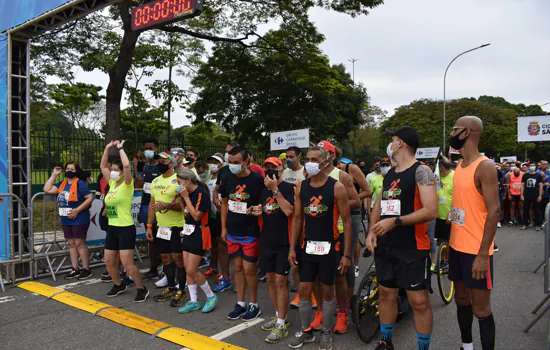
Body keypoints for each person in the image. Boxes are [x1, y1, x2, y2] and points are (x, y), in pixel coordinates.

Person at [366, 126, 437, 350]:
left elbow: (431, 210)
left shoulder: (421, 171)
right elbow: (378, 204)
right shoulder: (390, 173)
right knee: (387, 295)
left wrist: (395, 221)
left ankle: (423, 347)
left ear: (401, 144)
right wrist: (371, 231)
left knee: (419, 302)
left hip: (412, 247)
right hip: (386, 245)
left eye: (393, 139)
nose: (391, 144)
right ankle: (386, 341)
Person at [288, 146, 352, 350]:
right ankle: (306, 331)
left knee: (327, 291)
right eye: (307, 158)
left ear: (325, 162)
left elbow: (347, 221)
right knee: (304, 289)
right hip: (307, 247)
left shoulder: (337, 187)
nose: (310, 162)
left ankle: (326, 331)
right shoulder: (301, 186)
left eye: (315, 159)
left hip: (329, 248)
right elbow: (297, 218)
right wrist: (292, 248)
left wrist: (346, 255)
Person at [447, 116, 499, 350]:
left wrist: (481, 255)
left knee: (480, 309)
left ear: (466, 132)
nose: (452, 133)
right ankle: (466, 346)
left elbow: (494, 211)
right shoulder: (459, 165)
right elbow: (462, 206)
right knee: (461, 300)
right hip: (457, 247)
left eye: (455, 129)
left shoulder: (484, 166)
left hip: (476, 251)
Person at [316, 140, 360, 335]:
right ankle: (320, 311)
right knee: (317, 275)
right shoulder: (311, 175)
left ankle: (343, 313)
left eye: (322, 153)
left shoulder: (341, 175)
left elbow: (356, 201)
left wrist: (334, 204)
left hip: (338, 231)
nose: (317, 158)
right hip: (316, 233)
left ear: (331, 156)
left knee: (339, 275)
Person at [100, 141, 148, 302]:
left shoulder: (127, 184)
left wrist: (120, 148)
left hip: (125, 228)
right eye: (112, 170)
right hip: (112, 227)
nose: (112, 172)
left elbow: (127, 166)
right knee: (109, 261)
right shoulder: (112, 183)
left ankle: (141, 288)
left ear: (121, 173)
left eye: (115, 170)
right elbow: (102, 167)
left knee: (128, 264)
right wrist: (107, 148)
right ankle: (118, 284)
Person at [254, 157, 296, 343]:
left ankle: (281, 323)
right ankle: (280, 316)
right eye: (267, 167)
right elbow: (266, 210)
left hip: (284, 242)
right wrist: (256, 210)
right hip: (267, 240)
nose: (270, 170)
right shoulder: (263, 190)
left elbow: (289, 211)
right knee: (270, 278)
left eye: (274, 167)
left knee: (281, 281)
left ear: (281, 169)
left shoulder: (288, 188)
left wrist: (275, 190)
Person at [221, 146, 265, 321]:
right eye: (230, 162)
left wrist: (259, 209)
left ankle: (254, 304)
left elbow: (265, 203)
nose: (233, 166)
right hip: (232, 230)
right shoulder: (226, 177)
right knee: (237, 268)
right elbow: (224, 203)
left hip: (250, 231)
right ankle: (241, 303)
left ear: (246, 161)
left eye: (237, 162)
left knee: (249, 269)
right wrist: (223, 228)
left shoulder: (257, 180)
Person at [146, 151, 187, 307]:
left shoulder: (178, 180)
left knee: (178, 259)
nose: (159, 164)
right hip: (161, 227)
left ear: (171, 163)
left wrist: (168, 205)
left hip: (177, 226)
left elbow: (183, 205)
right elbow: (152, 204)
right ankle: (171, 287)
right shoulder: (155, 181)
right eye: (158, 161)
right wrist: (150, 225)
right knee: (165, 259)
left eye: (163, 161)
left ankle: (181, 290)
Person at [175, 168, 219, 314]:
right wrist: (181, 199)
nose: (178, 184)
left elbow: (196, 216)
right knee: (187, 269)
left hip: (199, 232)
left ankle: (211, 296)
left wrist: (186, 197)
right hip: (188, 231)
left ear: (188, 180)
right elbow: (186, 213)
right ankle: (193, 300)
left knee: (192, 269)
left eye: (180, 182)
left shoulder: (201, 194)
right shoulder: (185, 195)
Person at [44, 162, 94, 280]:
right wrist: (54, 175)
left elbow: (90, 197)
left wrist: (77, 210)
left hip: (79, 218)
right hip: (66, 218)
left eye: (72, 169)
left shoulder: (80, 184)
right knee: (71, 244)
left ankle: (86, 269)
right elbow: (47, 189)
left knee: (79, 243)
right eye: (67, 169)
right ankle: (75, 268)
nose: (69, 171)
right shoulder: (62, 184)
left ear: (76, 171)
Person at [337, 153, 372, 279]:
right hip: (334, 214)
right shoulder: (320, 171)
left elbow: (368, 191)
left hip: (352, 212)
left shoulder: (350, 168)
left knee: (349, 250)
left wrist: (344, 201)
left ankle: (353, 270)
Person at [213, 143, 239, 293]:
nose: (228, 155)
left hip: (239, 216)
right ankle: (225, 277)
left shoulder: (247, 173)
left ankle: (238, 279)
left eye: (230, 152)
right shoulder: (223, 171)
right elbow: (216, 190)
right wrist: (216, 201)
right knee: (222, 244)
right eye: (227, 152)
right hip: (222, 213)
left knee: (238, 248)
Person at [139, 138, 161, 282]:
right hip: (146, 205)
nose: (148, 151)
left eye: (150, 148)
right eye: (145, 148)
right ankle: (153, 267)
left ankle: (162, 265)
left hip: (160, 207)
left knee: (160, 237)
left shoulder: (161, 167)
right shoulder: (146, 167)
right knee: (151, 237)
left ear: (156, 149)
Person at [205, 155, 225, 279]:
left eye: (215, 162)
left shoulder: (223, 177)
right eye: (211, 162)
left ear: (221, 164)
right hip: (210, 213)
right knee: (212, 242)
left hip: (220, 212)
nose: (212, 164)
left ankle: (224, 271)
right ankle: (214, 267)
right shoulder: (208, 177)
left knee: (221, 242)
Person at [433, 156, 454, 270]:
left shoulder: (454, 176)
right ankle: (442, 261)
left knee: (450, 240)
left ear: (443, 167)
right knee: (441, 240)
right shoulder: (437, 176)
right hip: (438, 214)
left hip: (450, 214)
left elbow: (458, 196)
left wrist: (451, 213)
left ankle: (448, 260)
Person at [521, 163, 543, 231]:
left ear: (535, 167)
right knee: (526, 209)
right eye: (531, 166)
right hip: (527, 194)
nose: (532, 167)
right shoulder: (525, 175)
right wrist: (521, 195)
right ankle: (525, 224)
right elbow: (522, 185)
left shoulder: (538, 176)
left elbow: (540, 186)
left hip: (535, 195)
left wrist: (540, 195)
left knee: (537, 210)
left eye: (533, 165)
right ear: (528, 167)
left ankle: (538, 224)